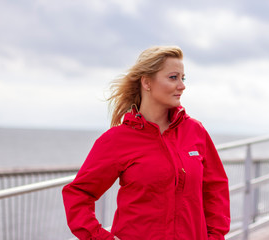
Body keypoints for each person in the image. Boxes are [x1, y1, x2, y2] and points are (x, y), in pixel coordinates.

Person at [62, 46, 230, 240]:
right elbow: (78, 194)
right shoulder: (118, 139)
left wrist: (215, 237)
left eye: (183, 78)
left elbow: (215, 190)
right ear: (147, 82)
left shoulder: (195, 131)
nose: (182, 86)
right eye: (173, 77)